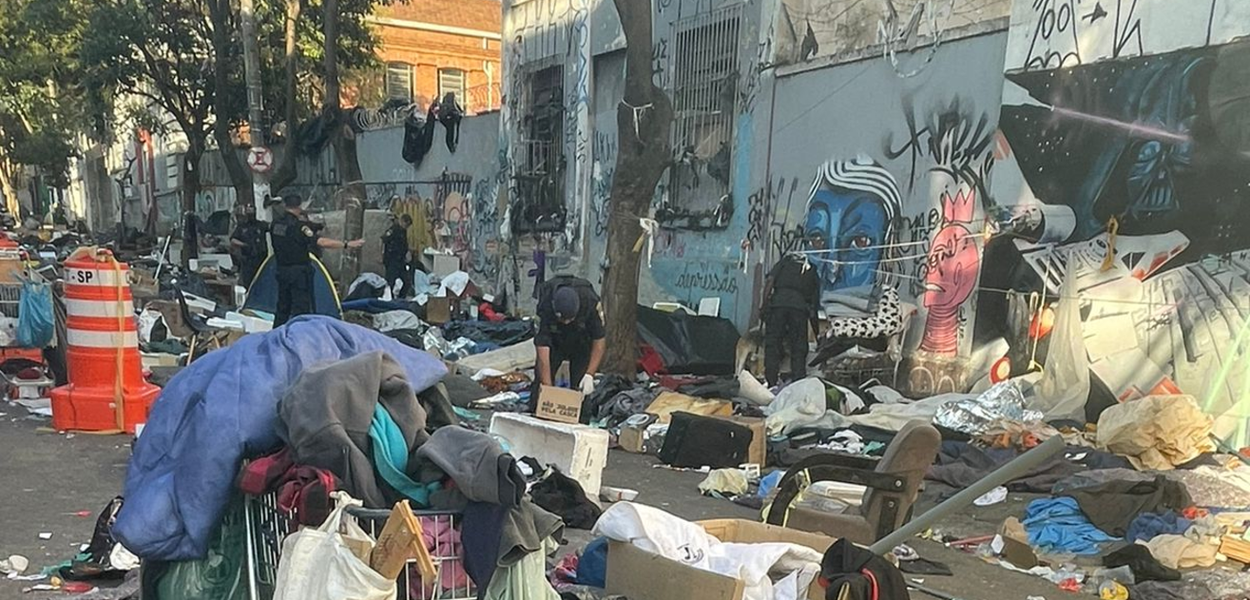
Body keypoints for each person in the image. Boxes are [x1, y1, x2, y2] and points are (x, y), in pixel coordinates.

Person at [270, 195, 364, 326]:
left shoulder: (275, 225)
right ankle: (299, 338)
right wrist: (347, 244)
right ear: (299, 207)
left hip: (282, 271)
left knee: (282, 308)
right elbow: (322, 242)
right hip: (299, 273)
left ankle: (275, 337)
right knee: (300, 310)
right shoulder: (300, 227)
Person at [534, 276, 605, 396]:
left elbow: (599, 341)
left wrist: (589, 374)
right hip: (555, 340)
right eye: (562, 319)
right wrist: (547, 389)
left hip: (581, 341)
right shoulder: (545, 305)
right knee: (539, 388)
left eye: (569, 319)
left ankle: (583, 412)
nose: (566, 323)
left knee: (582, 390)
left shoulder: (590, 302)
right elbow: (542, 349)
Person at [760, 250, 820, 386]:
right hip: (799, 309)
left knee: (772, 345)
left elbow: (770, 282)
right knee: (799, 347)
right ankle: (797, 383)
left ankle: (771, 382)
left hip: (778, 306)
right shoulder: (812, 271)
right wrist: (816, 334)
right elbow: (814, 306)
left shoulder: (783, 263)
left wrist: (763, 305)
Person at [230, 202, 268, 289]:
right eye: (248, 211)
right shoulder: (242, 227)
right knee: (248, 283)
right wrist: (244, 245)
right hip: (248, 259)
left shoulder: (261, 225)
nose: (250, 213)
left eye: (252, 211)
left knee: (261, 281)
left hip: (261, 259)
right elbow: (233, 240)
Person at [381, 213, 413, 298]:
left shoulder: (403, 231)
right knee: (390, 282)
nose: (406, 227)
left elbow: (404, 245)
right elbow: (384, 239)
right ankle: (389, 299)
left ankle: (401, 298)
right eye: (406, 224)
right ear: (402, 221)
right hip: (392, 260)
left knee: (407, 282)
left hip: (401, 261)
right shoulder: (393, 229)